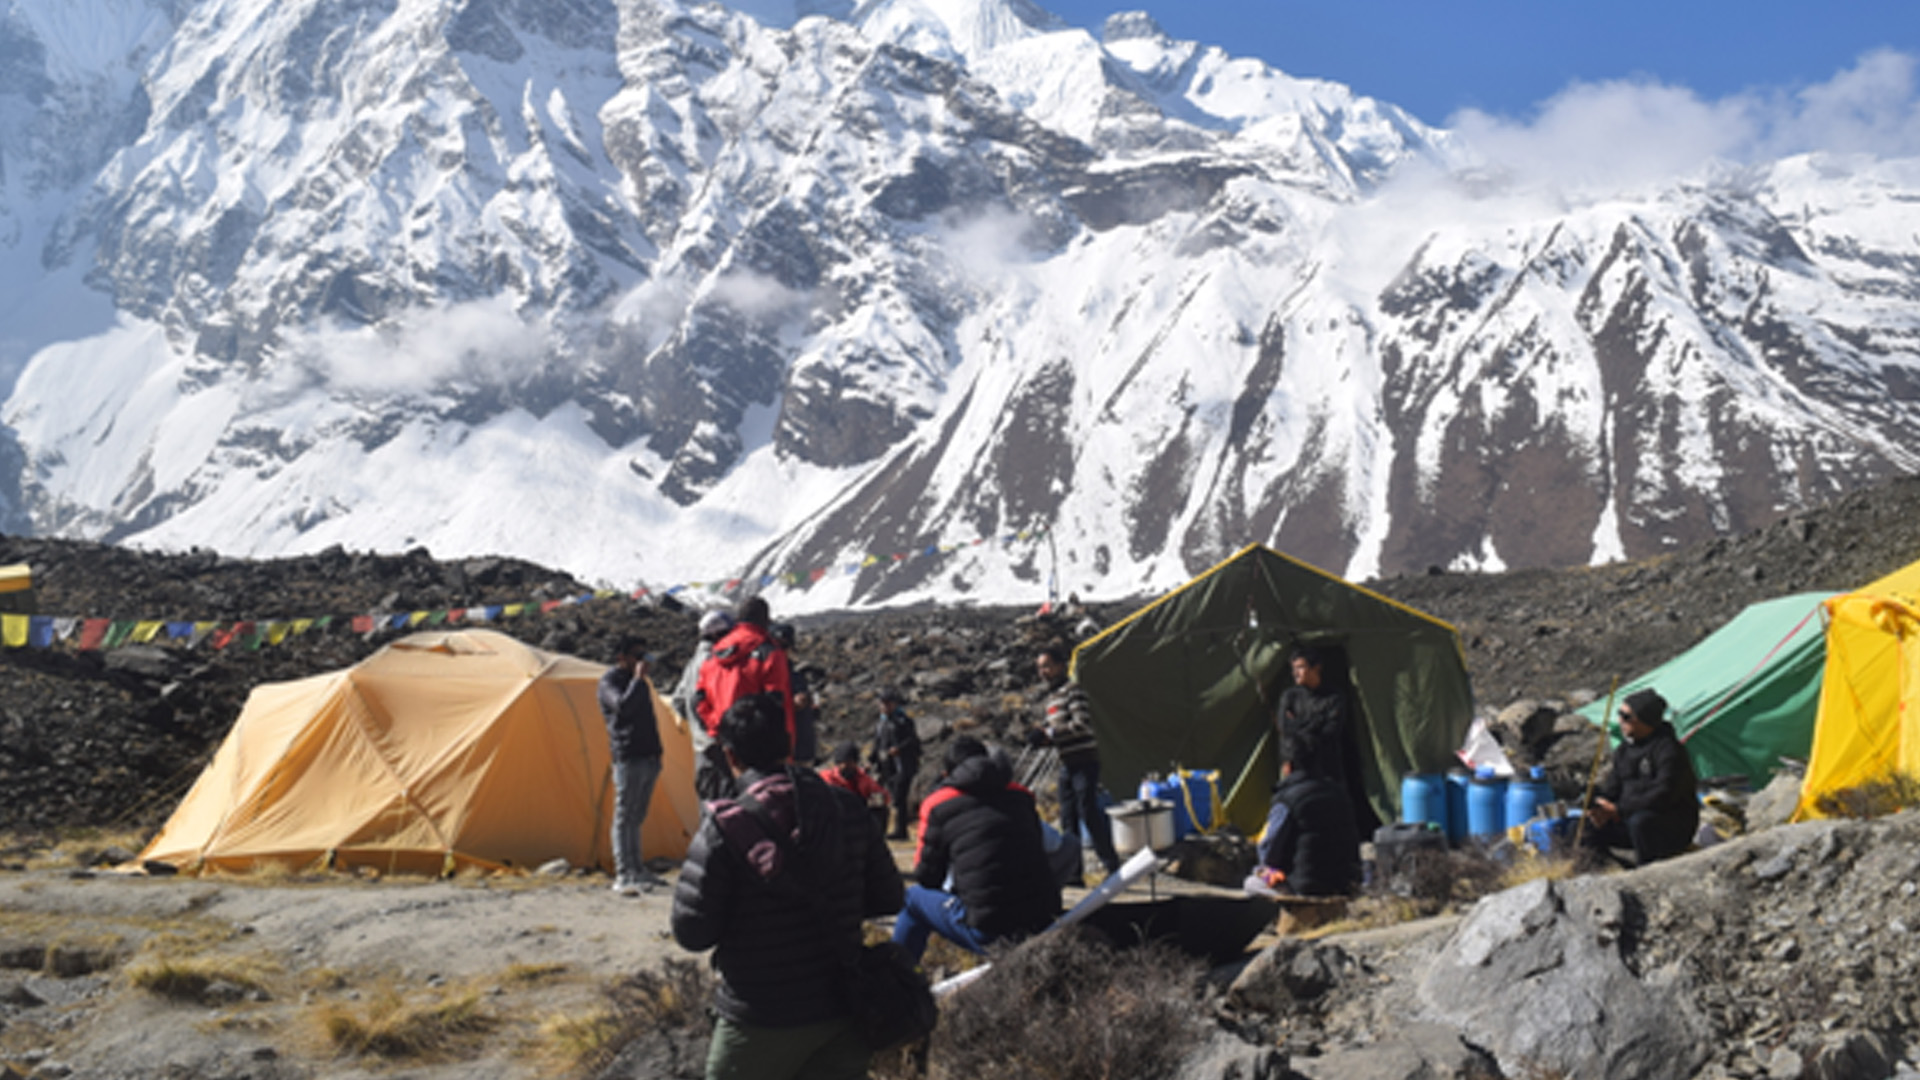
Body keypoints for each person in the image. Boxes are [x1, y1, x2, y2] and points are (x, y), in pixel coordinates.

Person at [672, 694, 904, 1079]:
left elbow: (692, 933)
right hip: (842, 1006)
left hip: (760, 1015)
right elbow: (889, 897)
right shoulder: (848, 808)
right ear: (789, 745)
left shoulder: (724, 827)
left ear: (730, 756)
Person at [891, 737, 1061, 963]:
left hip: (990, 932)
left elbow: (927, 877)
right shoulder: (1021, 797)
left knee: (912, 898)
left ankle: (895, 977)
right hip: (1044, 921)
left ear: (948, 773)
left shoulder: (940, 804)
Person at [1274, 644, 1382, 839]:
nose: (1295, 673)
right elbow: (1285, 729)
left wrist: (1299, 725)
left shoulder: (1333, 697)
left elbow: (1330, 731)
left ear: (1316, 668)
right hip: (1298, 765)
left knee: (1331, 810)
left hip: (1327, 765)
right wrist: (1312, 725)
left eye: (1301, 667)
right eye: (1293, 668)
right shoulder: (1290, 696)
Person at [1582, 688, 1699, 867]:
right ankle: (1614, 869)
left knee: (1641, 822)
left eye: (1626, 716)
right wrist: (1599, 806)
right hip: (1629, 820)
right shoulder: (1624, 750)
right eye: (1620, 714)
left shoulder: (1669, 750)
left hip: (1670, 826)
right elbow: (1613, 787)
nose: (1620, 720)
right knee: (1584, 827)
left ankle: (1647, 871)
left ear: (1646, 721)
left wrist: (1619, 809)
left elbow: (1663, 794)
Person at [1031, 645, 1121, 875]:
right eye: (1040, 668)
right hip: (1067, 763)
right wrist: (1042, 739)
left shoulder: (1073, 690)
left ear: (1061, 666)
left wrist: (1051, 733)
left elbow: (1081, 724)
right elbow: (1058, 732)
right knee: (1068, 818)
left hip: (1085, 762)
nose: (1043, 672)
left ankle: (1112, 865)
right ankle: (1073, 873)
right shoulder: (1051, 698)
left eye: (1048, 666)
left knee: (1087, 812)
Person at [1246, 730, 1362, 899]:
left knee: (1251, 882)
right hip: (1345, 884)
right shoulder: (1338, 793)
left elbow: (1268, 848)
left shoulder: (1286, 799)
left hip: (1305, 887)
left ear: (1287, 767)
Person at [600, 636, 667, 896]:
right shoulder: (610, 682)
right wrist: (639, 679)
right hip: (628, 756)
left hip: (649, 755)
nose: (642, 660)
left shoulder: (639, 683)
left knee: (637, 816)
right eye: (637, 655)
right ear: (622, 658)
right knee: (624, 815)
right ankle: (624, 873)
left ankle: (638, 869)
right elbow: (623, 708)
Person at [695, 596, 796, 756]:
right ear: (765, 620)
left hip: (724, 743)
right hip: (761, 749)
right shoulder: (769, 652)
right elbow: (776, 702)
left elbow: (700, 697)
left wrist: (718, 726)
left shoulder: (712, 655)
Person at [677, 610, 736, 800]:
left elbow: (679, 701)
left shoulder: (692, 663)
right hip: (718, 743)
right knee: (726, 803)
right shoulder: (716, 660)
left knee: (707, 802)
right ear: (717, 635)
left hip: (701, 746)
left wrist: (697, 728)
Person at [872, 689, 921, 840]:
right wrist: (871, 760)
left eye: (887, 704)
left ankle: (901, 830)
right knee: (879, 795)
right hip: (885, 765)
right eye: (882, 704)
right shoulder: (881, 722)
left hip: (902, 765)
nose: (884, 707)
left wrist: (898, 749)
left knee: (899, 798)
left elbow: (913, 741)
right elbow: (877, 743)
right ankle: (879, 828)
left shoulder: (903, 721)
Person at [772, 622, 821, 765]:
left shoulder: (795, 673)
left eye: (784, 646)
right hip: (782, 746)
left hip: (799, 744)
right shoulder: (773, 670)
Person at [820, 740, 889, 835]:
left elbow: (883, 796)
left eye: (851, 762)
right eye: (845, 763)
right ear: (838, 763)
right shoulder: (827, 777)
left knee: (881, 810)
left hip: (857, 817)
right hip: (835, 819)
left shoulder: (861, 777)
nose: (848, 766)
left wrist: (873, 797)